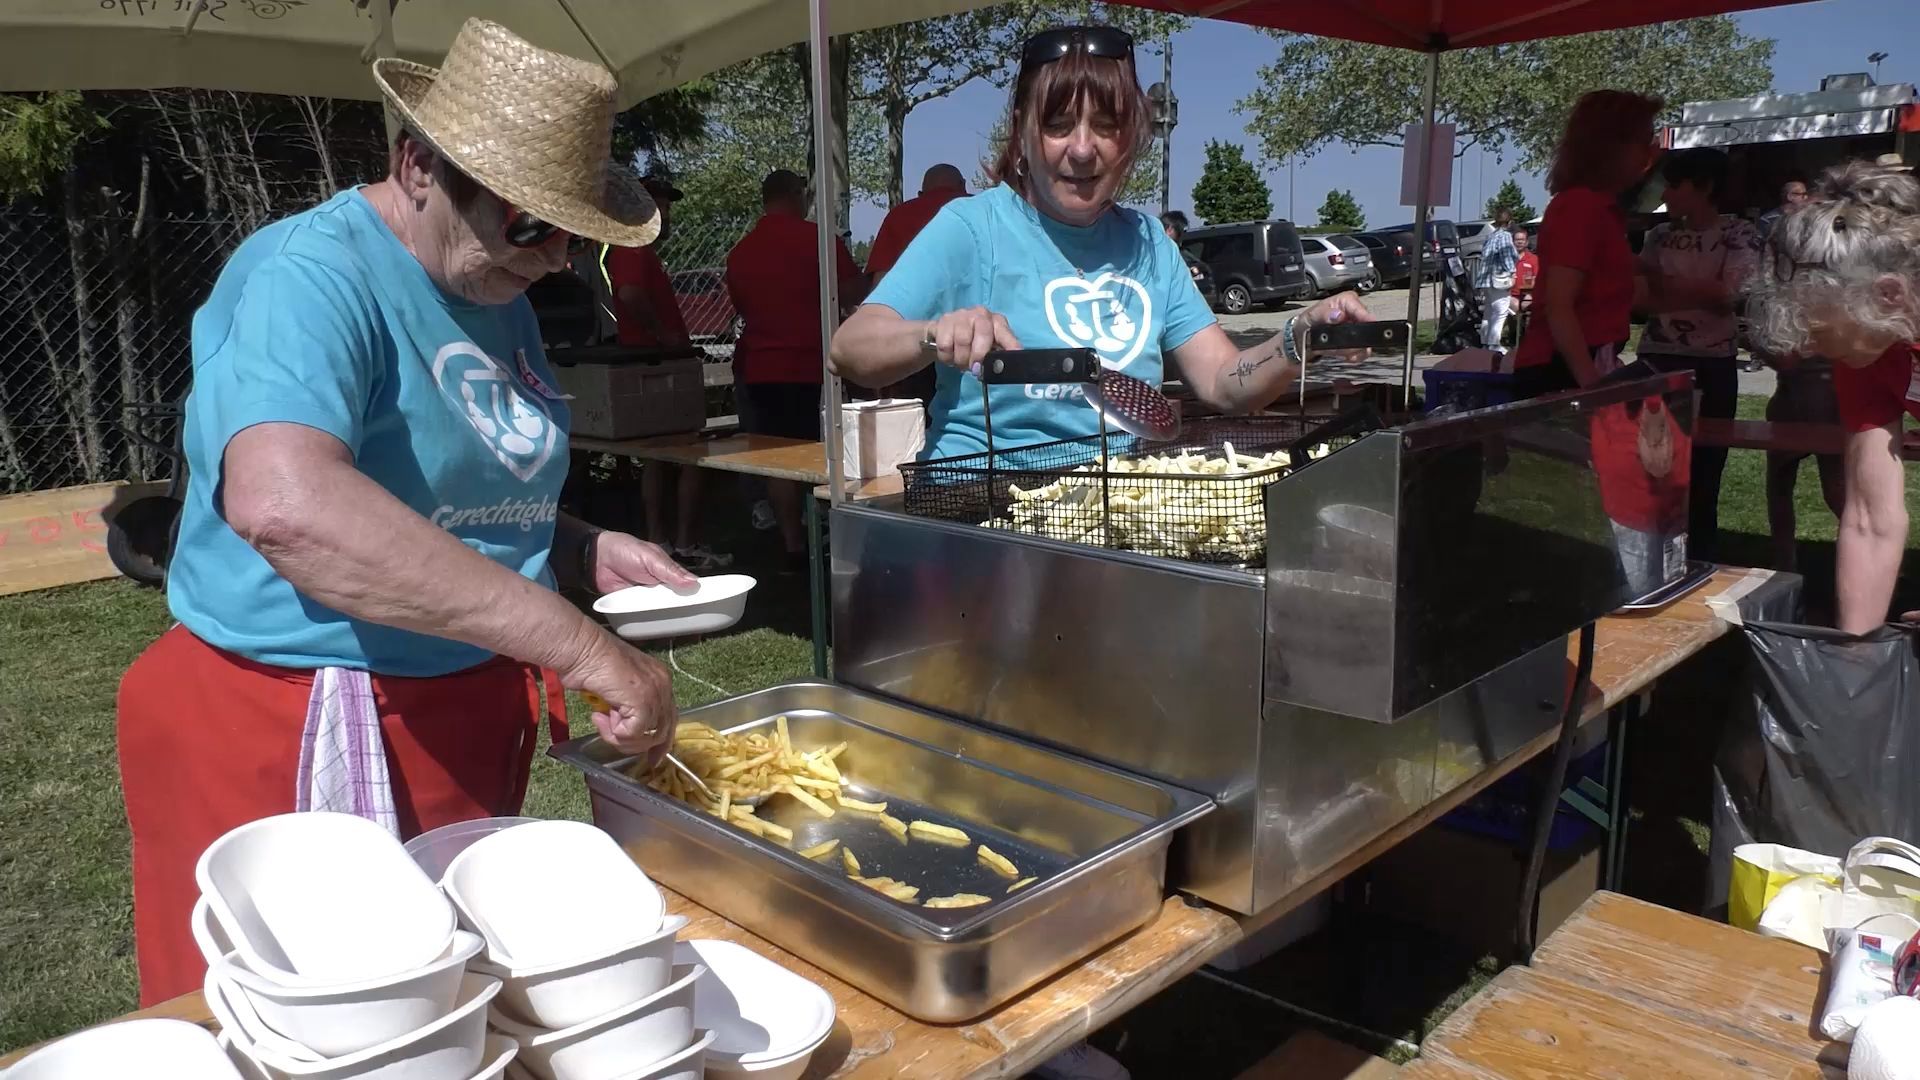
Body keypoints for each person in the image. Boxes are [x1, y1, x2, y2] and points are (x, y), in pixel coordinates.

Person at [114, 19, 695, 1006]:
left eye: (576, 233)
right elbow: (288, 506)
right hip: (292, 720)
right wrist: (583, 648)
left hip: (446, 715)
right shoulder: (310, 274)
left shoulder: (490, 278)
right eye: (531, 224)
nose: (556, 259)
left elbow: (444, 491)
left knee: (436, 1014)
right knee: (298, 1026)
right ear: (419, 164)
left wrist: (581, 548)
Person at [830, 24, 1374, 489]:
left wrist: (1296, 337)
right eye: (1058, 125)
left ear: (1130, 136)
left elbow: (1224, 384)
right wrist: (934, 333)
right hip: (983, 502)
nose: (1084, 148)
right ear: (1021, 131)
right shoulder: (971, 228)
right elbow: (849, 349)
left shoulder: (1149, 242)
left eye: (1106, 125)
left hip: (1117, 506)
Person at [1748, 161, 1920, 633]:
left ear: (1888, 295)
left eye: (1817, 328)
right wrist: (1854, 657)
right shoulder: (1870, 350)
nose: (1805, 347)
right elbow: (1869, 518)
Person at [724, 169, 864, 567]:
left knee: (775, 455)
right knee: (809, 453)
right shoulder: (819, 241)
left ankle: (791, 539)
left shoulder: (741, 253)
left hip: (758, 365)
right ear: (796, 195)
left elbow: (740, 305)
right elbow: (853, 291)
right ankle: (811, 536)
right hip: (807, 364)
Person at [1634, 147, 1762, 562]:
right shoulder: (1657, 235)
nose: (1666, 195)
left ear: (1705, 187)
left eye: (1674, 185)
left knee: (1705, 474)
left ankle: (1700, 561)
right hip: (1657, 360)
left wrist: (1661, 283)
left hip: (1713, 365)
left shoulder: (1739, 234)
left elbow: (1729, 296)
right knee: (1653, 471)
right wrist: (1693, 290)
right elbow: (1640, 299)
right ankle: (1650, 564)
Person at [608, 166, 731, 571]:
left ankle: (664, 540)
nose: (666, 215)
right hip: (657, 364)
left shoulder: (640, 251)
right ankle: (682, 541)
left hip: (656, 361)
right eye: (658, 206)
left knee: (659, 459)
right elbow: (628, 294)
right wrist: (664, 335)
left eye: (665, 207)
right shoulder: (631, 247)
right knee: (690, 455)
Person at [1512, 91, 1664, 398]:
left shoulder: (1602, 209)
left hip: (1585, 363)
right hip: (1558, 371)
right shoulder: (1580, 207)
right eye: (1645, 141)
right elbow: (1559, 305)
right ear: (1612, 147)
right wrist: (1593, 388)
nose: (1653, 152)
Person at [865, 164, 967, 402]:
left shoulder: (900, 216)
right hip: (971, 341)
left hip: (915, 342)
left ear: (921, 193)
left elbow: (880, 285)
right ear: (962, 186)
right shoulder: (984, 212)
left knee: (913, 423)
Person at [1475, 208, 1519, 352]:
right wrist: (1513, 272)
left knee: (1489, 311)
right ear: (1509, 222)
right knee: (1501, 311)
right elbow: (1506, 255)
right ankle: (1494, 344)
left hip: (1485, 280)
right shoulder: (1505, 236)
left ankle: (1485, 342)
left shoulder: (1491, 236)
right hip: (1498, 279)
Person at [1510, 225, 1540, 343]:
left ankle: (1528, 338)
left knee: (1527, 305)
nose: (1519, 243)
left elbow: (1537, 278)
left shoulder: (1533, 259)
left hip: (1528, 293)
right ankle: (1515, 337)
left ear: (1526, 242)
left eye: (1522, 240)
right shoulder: (1509, 258)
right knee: (1515, 306)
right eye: (1517, 240)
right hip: (1511, 294)